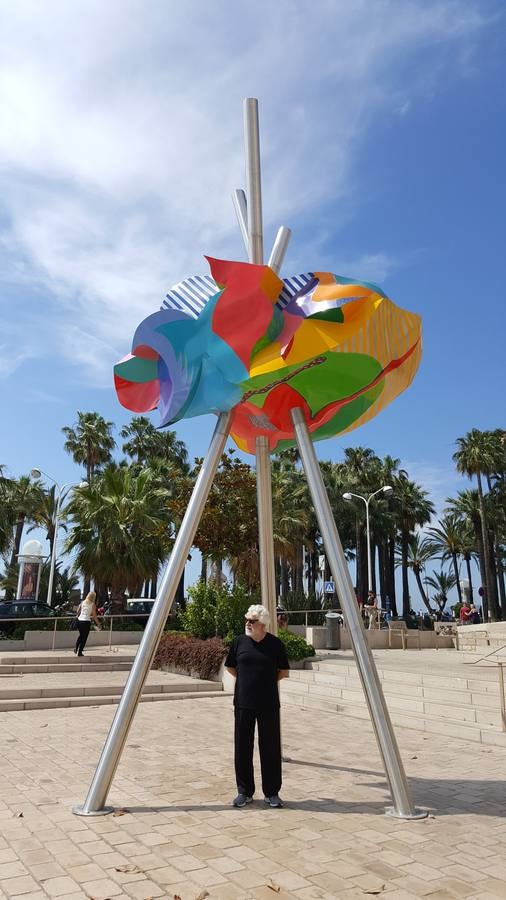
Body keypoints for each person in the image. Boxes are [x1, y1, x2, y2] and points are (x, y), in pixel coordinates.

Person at [225, 604, 290, 809]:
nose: (247, 623)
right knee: (242, 746)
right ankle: (244, 792)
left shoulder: (275, 644)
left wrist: (265, 684)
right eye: (247, 620)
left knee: (270, 747)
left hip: (269, 704)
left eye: (251, 621)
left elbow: (283, 671)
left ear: (262, 624)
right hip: (243, 703)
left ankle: (272, 793)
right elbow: (231, 667)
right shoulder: (239, 642)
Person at [75, 591, 101, 656]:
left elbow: (78, 611)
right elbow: (94, 615)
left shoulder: (82, 602)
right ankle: (80, 652)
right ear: (94, 597)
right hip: (86, 622)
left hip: (79, 621)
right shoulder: (92, 604)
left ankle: (76, 648)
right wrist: (98, 623)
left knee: (81, 635)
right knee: (84, 637)